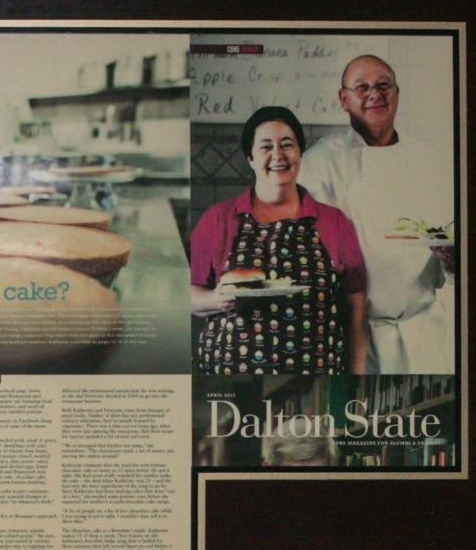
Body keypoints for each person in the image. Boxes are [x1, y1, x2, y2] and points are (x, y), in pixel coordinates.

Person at [297, 54, 456, 375]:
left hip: (423, 327)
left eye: (384, 85)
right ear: (344, 99)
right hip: (353, 332)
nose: (375, 94)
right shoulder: (319, 162)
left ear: (397, 94)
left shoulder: (429, 157)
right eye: (362, 87)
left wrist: (451, 257)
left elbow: (449, 230)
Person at [191, 106, 368, 376]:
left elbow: (355, 307)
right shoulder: (218, 219)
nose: (278, 155)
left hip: (318, 375)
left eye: (287, 145)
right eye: (265, 147)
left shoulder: (334, 222)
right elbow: (190, 296)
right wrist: (218, 299)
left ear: (299, 153)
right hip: (228, 375)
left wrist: (357, 376)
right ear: (250, 158)